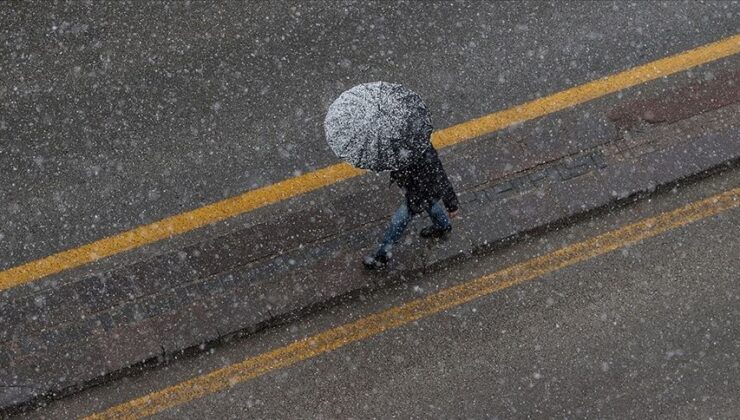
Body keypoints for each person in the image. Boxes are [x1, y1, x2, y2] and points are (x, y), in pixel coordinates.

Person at [363, 145, 459, 269]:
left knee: (398, 221)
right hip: (419, 192)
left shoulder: (425, 155)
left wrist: (452, 205)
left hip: (419, 194)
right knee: (431, 205)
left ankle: (381, 255)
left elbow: (442, 179)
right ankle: (443, 226)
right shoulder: (404, 147)